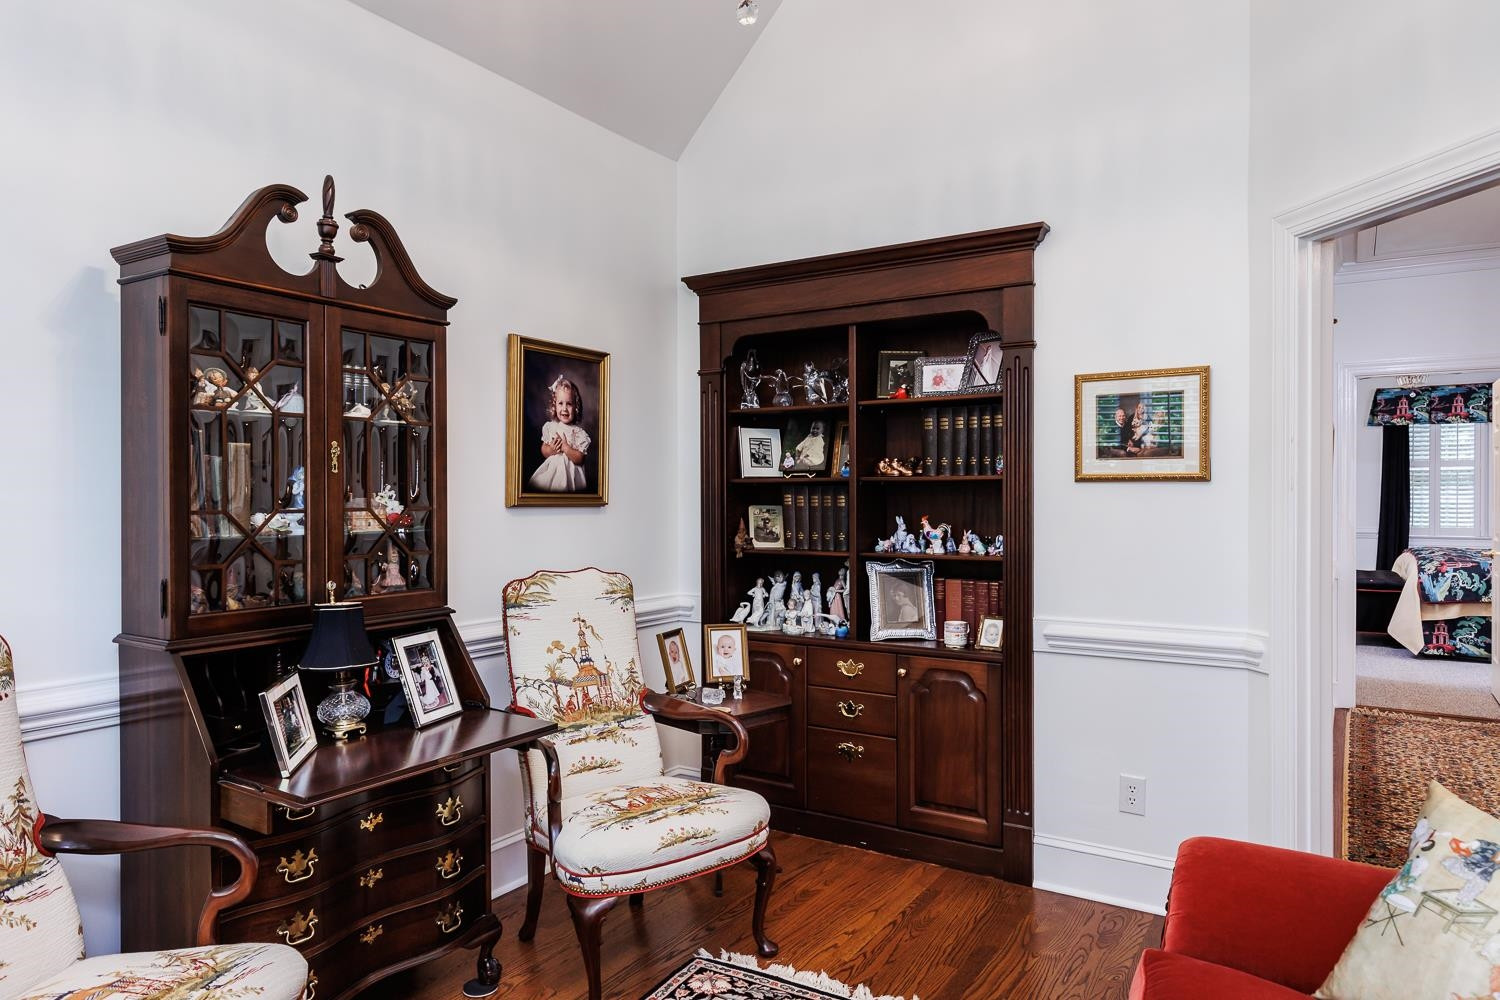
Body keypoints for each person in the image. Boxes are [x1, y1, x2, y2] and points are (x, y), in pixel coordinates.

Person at [528, 376, 590, 492]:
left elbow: (580, 459)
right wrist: (551, 449)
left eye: (569, 404)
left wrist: (567, 449)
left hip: (572, 477)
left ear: (576, 407)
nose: (564, 408)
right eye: (560, 403)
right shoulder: (551, 427)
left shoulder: (578, 433)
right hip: (553, 473)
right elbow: (544, 450)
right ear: (554, 406)